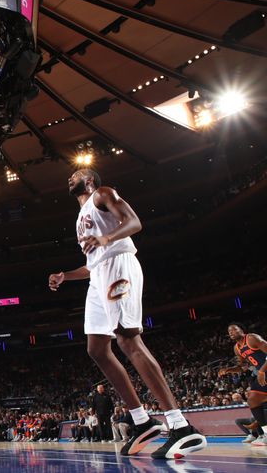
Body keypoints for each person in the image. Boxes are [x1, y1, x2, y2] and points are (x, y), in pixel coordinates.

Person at [48, 169, 206, 459]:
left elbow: (133, 223)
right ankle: (142, 421)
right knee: (96, 348)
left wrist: (106, 238)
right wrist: (65, 276)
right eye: (68, 175)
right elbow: (93, 261)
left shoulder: (102, 194)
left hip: (119, 267)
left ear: (91, 180)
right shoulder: (81, 215)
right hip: (98, 276)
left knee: (128, 341)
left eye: (77, 174)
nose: (70, 177)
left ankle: (180, 425)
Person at [218, 323, 267, 446]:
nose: (231, 333)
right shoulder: (237, 348)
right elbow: (243, 367)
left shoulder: (251, 338)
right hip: (263, 373)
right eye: (229, 332)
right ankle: (265, 433)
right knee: (253, 400)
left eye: (234, 330)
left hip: (264, 371)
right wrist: (229, 370)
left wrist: (261, 371)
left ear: (241, 330)